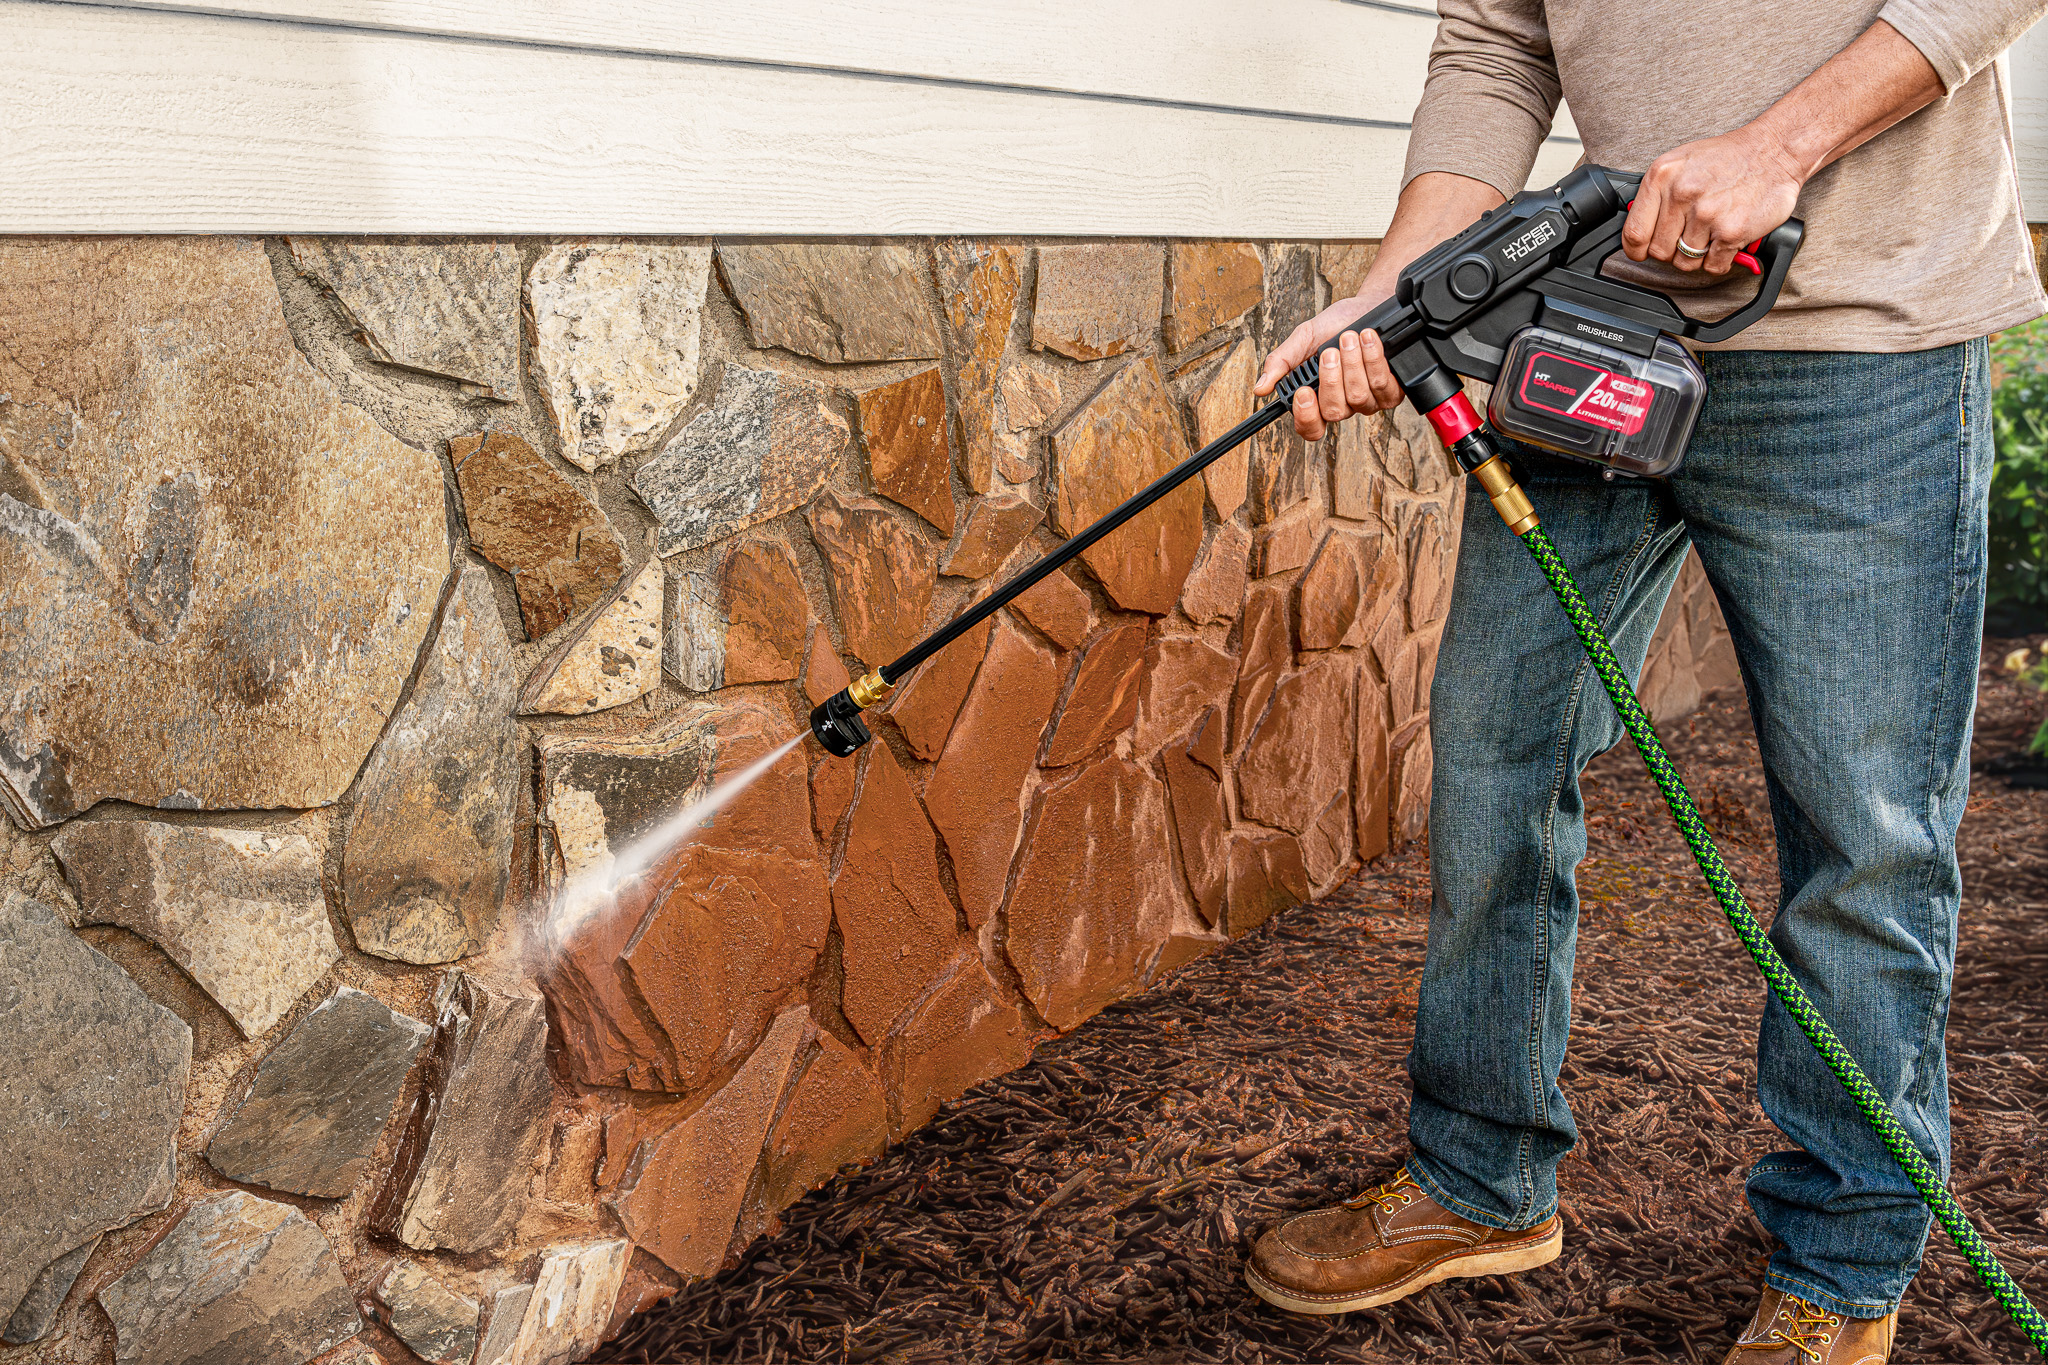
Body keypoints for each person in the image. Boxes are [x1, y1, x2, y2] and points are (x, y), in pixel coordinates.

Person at [1244, 3, 2048, 1361]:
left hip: (1868, 347)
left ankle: (1843, 1263)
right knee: (1495, 759)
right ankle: (1478, 1175)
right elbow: (1496, 43)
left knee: (1865, 833)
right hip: (1589, 328)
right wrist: (1398, 287)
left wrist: (1780, 146)